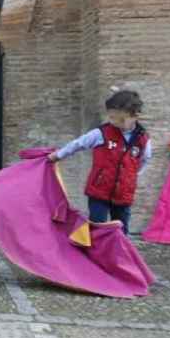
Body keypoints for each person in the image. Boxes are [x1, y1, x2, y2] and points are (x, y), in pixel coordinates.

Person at [48, 89, 151, 235]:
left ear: (135, 116)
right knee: (96, 228)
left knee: (121, 230)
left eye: (119, 119)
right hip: (99, 191)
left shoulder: (143, 140)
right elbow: (78, 144)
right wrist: (58, 155)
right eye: (111, 117)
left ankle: (117, 256)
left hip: (124, 194)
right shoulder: (101, 133)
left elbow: (144, 160)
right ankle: (96, 255)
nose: (113, 122)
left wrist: (130, 177)